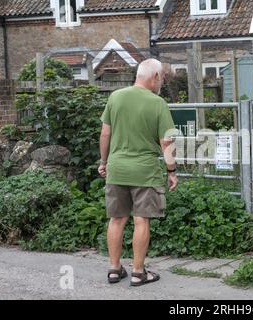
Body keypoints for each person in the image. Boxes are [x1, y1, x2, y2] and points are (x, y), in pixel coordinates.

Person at [98, 58, 178, 287]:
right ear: (154, 77)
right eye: (161, 77)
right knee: (141, 219)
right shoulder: (157, 103)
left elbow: (105, 134)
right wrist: (171, 170)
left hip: (117, 168)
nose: (161, 81)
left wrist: (104, 161)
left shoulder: (116, 97)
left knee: (116, 219)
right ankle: (138, 272)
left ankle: (114, 269)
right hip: (144, 171)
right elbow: (167, 141)